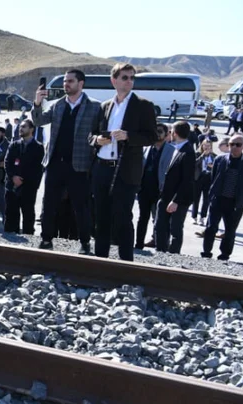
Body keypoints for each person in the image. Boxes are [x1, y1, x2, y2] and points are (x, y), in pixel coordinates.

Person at [91, 63, 157, 261]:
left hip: (126, 170)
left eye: (131, 78)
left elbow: (152, 137)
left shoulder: (143, 105)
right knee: (101, 217)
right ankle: (100, 260)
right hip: (102, 167)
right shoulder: (105, 106)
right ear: (114, 81)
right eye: (125, 77)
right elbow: (91, 135)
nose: (129, 81)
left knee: (122, 217)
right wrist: (96, 140)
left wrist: (129, 136)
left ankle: (126, 262)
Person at [32, 69, 101, 254]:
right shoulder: (57, 105)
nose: (66, 84)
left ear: (81, 83)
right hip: (55, 163)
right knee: (49, 204)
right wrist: (37, 103)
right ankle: (46, 239)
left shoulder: (94, 106)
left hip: (79, 165)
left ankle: (85, 242)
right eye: (64, 81)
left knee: (81, 206)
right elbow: (38, 121)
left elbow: (99, 133)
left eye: (70, 81)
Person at [201, 135, 243, 261]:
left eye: (238, 145)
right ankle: (206, 252)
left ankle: (224, 255)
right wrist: (212, 195)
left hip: (235, 203)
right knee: (211, 227)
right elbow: (214, 178)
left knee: (230, 231)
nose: (234, 147)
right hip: (218, 199)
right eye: (231, 144)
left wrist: (242, 197)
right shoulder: (220, 159)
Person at [154, 121, 195, 254]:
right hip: (165, 195)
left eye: (171, 132)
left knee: (175, 229)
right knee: (160, 226)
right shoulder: (175, 147)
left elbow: (187, 180)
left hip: (178, 199)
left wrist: (176, 201)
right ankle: (160, 251)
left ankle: (173, 255)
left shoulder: (188, 152)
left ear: (175, 133)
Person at [4, 119, 45, 234]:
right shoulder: (14, 145)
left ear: (31, 129)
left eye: (24, 127)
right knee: (11, 213)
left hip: (28, 187)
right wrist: (13, 177)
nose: (20, 129)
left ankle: (28, 239)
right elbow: (7, 163)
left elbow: (38, 168)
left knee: (28, 214)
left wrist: (24, 181)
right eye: (20, 127)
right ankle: (11, 238)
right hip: (12, 185)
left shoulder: (38, 147)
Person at [135, 123, 169, 249]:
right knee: (142, 218)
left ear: (166, 135)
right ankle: (138, 244)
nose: (157, 134)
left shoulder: (171, 151)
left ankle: (160, 245)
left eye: (160, 131)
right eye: (155, 131)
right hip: (144, 190)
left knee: (159, 220)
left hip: (159, 190)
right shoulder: (145, 149)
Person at [192, 140, 216, 225]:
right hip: (198, 178)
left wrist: (212, 167)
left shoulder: (214, 156)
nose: (206, 147)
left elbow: (216, 169)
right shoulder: (197, 154)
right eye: (205, 145)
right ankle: (194, 216)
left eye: (208, 145)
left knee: (206, 199)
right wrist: (202, 156)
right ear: (201, 146)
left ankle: (202, 217)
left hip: (208, 178)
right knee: (196, 198)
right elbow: (194, 164)